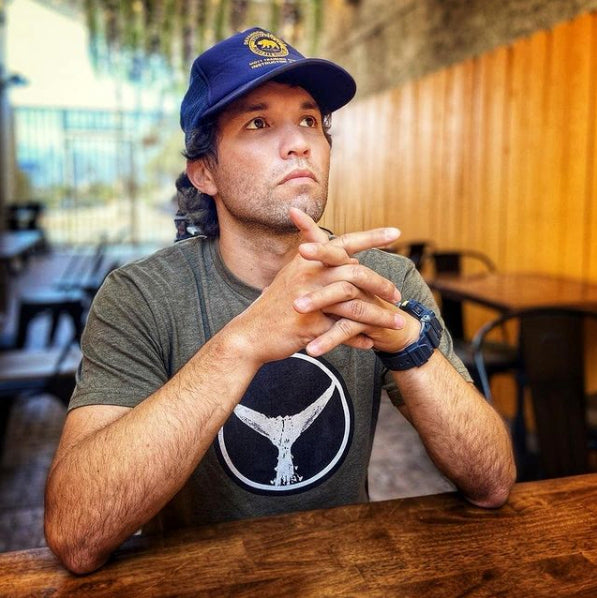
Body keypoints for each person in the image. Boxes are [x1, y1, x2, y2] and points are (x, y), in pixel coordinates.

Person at [44, 27, 516, 574]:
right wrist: (243, 341)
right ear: (205, 172)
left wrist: (409, 343)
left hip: (345, 575)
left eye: (310, 121)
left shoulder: (381, 280)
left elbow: (492, 483)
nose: (298, 144)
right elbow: (76, 535)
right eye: (259, 123)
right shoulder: (142, 297)